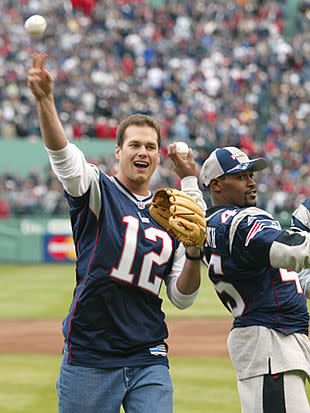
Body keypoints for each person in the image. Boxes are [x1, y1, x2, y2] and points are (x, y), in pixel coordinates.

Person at [27, 52, 206, 413]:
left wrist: (194, 253)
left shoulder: (172, 213)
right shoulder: (98, 190)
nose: (143, 152)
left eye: (151, 147)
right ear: (118, 152)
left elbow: (182, 297)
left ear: (158, 156)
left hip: (149, 352)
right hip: (92, 352)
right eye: (135, 145)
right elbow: (63, 157)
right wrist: (46, 101)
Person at [199, 146, 310, 413]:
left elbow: (291, 275)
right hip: (271, 343)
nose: (251, 182)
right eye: (241, 176)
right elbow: (296, 249)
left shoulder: (210, 223)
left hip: (272, 343)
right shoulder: (242, 220)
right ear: (217, 184)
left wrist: (188, 179)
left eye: (251, 175)